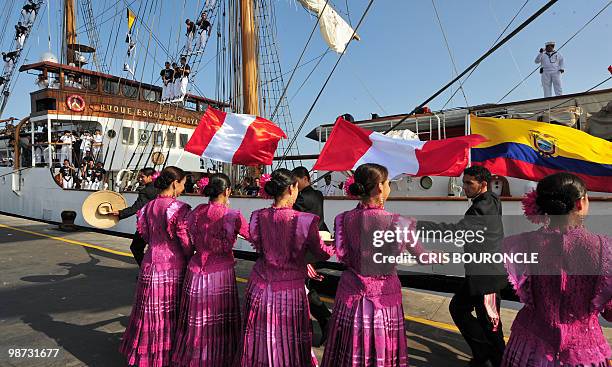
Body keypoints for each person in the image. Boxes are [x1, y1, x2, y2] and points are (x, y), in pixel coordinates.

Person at [321, 163, 427, 367]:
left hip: (350, 295)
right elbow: (422, 256)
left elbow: (341, 253)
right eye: (388, 183)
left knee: (347, 352)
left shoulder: (342, 219)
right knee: (379, 353)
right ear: (380, 187)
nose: (389, 188)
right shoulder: (398, 222)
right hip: (382, 300)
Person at [501, 173, 611, 367]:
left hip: (529, 348)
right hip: (583, 352)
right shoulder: (605, 249)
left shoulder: (518, 245)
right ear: (580, 203)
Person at [234, 168, 334, 366]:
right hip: (289, 289)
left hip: (260, 286)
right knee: (287, 339)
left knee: (260, 337)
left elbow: (259, 244)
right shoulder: (304, 221)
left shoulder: (258, 216)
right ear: (292, 188)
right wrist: (335, 246)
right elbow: (321, 252)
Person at [417, 165, 507, 367]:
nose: (464, 186)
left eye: (469, 183)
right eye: (463, 182)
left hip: (486, 279)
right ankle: (483, 351)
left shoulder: (479, 209)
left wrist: (417, 225)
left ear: (483, 184)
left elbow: (454, 231)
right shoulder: (492, 199)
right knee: (461, 308)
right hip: (481, 275)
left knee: (491, 324)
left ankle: (494, 357)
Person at [172, 173, 249, 366]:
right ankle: (219, 359)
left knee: (196, 321)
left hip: (196, 270)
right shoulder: (233, 215)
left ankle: (194, 359)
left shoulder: (197, 211)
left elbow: (183, 231)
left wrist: (190, 255)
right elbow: (254, 236)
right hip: (220, 273)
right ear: (227, 191)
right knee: (217, 321)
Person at [119, 166, 191, 367]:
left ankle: (146, 354)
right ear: (175, 183)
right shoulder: (179, 208)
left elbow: (145, 235)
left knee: (148, 313)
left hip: (149, 264)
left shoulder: (147, 208)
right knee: (169, 314)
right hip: (171, 267)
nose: (184, 188)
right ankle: (166, 355)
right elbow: (184, 241)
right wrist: (190, 257)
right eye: (183, 184)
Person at [292, 166, 331, 346]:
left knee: (306, 289)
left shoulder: (300, 198)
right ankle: (324, 322)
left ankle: (326, 320)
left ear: (304, 178)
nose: (294, 184)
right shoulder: (318, 195)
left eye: (296, 180)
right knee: (306, 287)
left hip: (305, 249)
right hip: (317, 245)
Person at [109, 168, 160, 266]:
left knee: (136, 248)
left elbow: (137, 207)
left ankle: (146, 270)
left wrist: (120, 213)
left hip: (147, 225)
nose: (140, 179)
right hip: (161, 224)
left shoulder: (145, 191)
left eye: (142, 177)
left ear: (150, 177)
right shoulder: (161, 189)